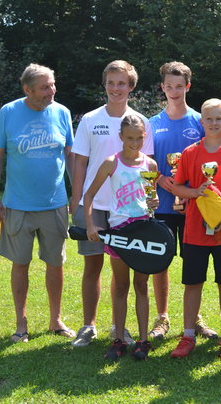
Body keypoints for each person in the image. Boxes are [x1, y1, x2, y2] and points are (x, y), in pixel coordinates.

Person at [0, 63, 75, 343]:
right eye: (45, 87)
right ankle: (21, 324)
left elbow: (70, 156)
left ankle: (55, 320)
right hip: (18, 205)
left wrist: (77, 195)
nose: (52, 91)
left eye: (53, 84)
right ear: (27, 90)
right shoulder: (9, 112)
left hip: (55, 204)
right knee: (20, 264)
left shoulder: (62, 112)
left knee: (55, 264)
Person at [69, 60, 154, 347]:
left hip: (128, 212)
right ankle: (88, 326)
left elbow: (147, 171)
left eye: (122, 83)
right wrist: (77, 199)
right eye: (111, 82)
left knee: (124, 272)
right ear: (104, 84)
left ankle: (121, 329)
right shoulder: (91, 119)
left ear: (131, 86)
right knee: (92, 268)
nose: (116, 88)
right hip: (94, 206)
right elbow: (79, 161)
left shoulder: (142, 123)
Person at [169, 98, 221, 361]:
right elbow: (177, 186)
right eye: (209, 118)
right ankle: (188, 336)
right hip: (194, 229)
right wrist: (195, 192)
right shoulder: (190, 153)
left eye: (219, 118)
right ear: (201, 121)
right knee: (193, 283)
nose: (214, 122)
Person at [148, 61, 217, 340]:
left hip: (193, 204)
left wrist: (191, 190)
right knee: (160, 261)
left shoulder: (200, 121)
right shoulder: (151, 123)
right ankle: (162, 318)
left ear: (188, 86)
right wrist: (160, 179)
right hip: (162, 204)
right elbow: (145, 162)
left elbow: (209, 158)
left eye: (179, 86)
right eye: (169, 86)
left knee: (194, 261)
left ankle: (195, 318)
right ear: (162, 87)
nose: (174, 91)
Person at [83, 115, 158, 361]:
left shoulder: (150, 165)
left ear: (144, 137)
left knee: (141, 286)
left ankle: (143, 339)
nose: (134, 143)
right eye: (129, 138)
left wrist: (154, 202)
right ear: (120, 137)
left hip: (143, 230)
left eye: (139, 138)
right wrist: (91, 224)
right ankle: (118, 340)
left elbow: (150, 198)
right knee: (121, 286)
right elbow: (90, 195)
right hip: (119, 231)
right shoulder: (110, 163)